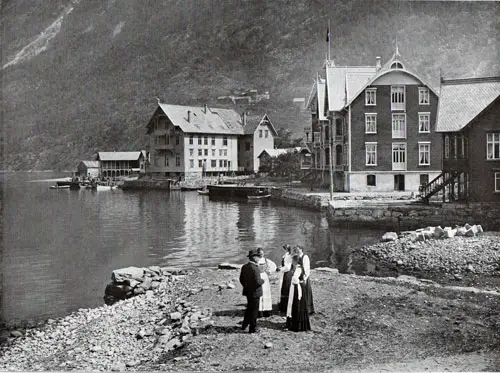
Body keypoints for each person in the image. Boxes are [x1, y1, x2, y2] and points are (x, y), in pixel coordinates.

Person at [286, 245, 313, 332]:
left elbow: (298, 277)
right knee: (298, 304)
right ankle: (298, 322)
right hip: (298, 285)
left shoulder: (299, 268)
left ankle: (298, 324)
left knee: (298, 304)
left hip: (299, 286)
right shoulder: (297, 268)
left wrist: (301, 279)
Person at [239, 249, 265, 333]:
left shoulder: (245, 267)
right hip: (255, 292)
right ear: (254, 258)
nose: (259, 258)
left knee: (249, 308)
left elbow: (241, 279)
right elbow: (258, 281)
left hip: (248, 291)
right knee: (254, 311)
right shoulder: (255, 268)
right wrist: (263, 281)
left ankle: (244, 325)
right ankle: (252, 328)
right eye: (257, 256)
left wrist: (246, 286)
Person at [256, 248, 277, 317]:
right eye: (259, 253)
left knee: (265, 293)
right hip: (258, 276)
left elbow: (274, 266)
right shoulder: (256, 260)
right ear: (257, 253)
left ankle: (266, 310)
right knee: (259, 292)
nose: (261, 254)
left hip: (264, 276)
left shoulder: (266, 260)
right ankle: (260, 310)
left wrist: (269, 271)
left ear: (263, 253)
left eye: (262, 253)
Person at [277, 244, 294, 313]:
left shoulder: (288, 256)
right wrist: (281, 266)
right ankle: (283, 305)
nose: (283, 249)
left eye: (284, 248)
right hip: (285, 273)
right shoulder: (286, 255)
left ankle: (285, 307)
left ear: (287, 249)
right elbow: (285, 265)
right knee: (283, 288)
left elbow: (288, 267)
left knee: (285, 288)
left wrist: (280, 269)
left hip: (287, 274)